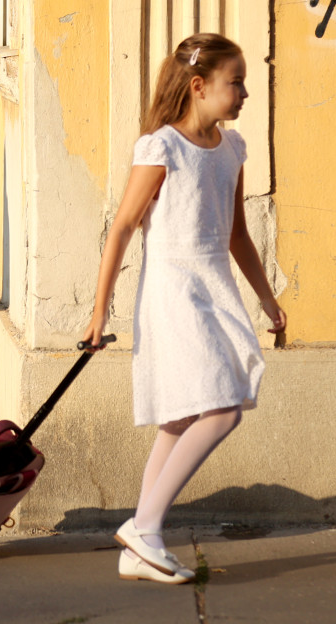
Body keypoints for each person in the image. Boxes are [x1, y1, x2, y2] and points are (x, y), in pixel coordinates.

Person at [82, 32, 287, 585]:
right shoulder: (162, 147)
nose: (244, 91)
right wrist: (101, 311)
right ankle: (144, 527)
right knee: (222, 407)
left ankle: (138, 549)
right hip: (173, 288)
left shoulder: (232, 148)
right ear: (199, 87)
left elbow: (238, 234)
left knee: (179, 417)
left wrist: (267, 299)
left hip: (213, 285)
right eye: (235, 81)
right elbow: (123, 225)